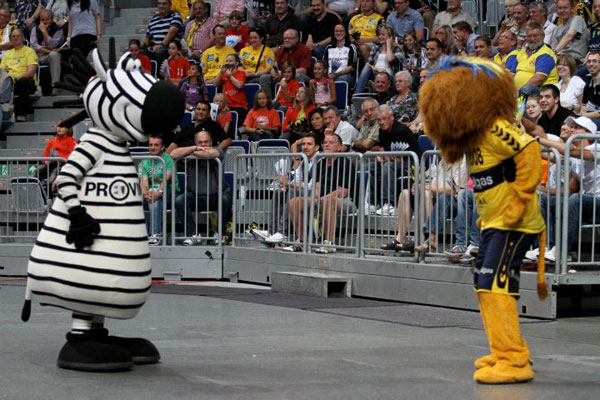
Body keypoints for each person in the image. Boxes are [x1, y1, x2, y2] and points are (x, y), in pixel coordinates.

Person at [289, 132, 357, 253]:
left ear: (339, 147)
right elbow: (316, 188)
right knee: (295, 202)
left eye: (331, 143)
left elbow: (342, 191)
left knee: (327, 201)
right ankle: (302, 241)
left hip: (345, 201)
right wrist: (316, 199)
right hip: (322, 199)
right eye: (325, 142)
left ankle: (329, 243)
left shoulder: (345, 163)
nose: (327, 145)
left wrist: (320, 200)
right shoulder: (320, 163)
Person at [172, 129, 232, 245]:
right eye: (200, 142)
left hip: (216, 197)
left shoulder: (218, 150)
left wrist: (193, 153)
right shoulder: (192, 150)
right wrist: (194, 148)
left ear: (211, 142)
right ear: (195, 143)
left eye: (206, 142)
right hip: (196, 197)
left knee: (225, 198)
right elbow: (173, 154)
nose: (203, 145)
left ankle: (220, 234)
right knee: (180, 200)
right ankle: (192, 235)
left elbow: (211, 154)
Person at [265, 132, 321, 246]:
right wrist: (286, 183)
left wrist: (290, 184)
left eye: (309, 144)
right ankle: (271, 231)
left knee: (292, 191)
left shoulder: (320, 160)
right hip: (305, 191)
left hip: (317, 193)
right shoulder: (304, 160)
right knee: (279, 192)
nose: (305, 147)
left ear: (316, 147)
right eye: (303, 144)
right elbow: (297, 178)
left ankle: (283, 231)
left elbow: (311, 186)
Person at [370, 104, 421, 216]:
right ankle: (373, 203)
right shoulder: (382, 131)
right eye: (379, 120)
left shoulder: (400, 131)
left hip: (412, 163)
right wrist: (381, 157)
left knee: (388, 167)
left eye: (384, 119)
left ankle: (390, 203)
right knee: (372, 166)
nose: (382, 122)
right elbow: (382, 151)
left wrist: (385, 157)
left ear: (392, 118)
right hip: (395, 161)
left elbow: (399, 159)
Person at [139, 135, 180, 246]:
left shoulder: (168, 159)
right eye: (150, 145)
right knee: (137, 200)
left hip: (169, 192)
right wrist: (146, 193)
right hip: (152, 192)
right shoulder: (144, 162)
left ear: (162, 147)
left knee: (155, 199)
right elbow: (144, 181)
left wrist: (159, 192)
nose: (152, 148)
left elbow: (166, 178)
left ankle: (156, 234)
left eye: (156, 145)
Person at [0, 28, 38, 122]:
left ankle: (21, 114)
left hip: (26, 82)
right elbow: (2, 71)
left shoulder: (29, 51)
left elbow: (31, 72)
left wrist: (16, 79)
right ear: (10, 39)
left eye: (18, 36)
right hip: (11, 83)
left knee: (23, 82)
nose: (16, 38)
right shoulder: (7, 54)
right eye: (13, 36)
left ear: (23, 38)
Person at [260, 29, 311, 97]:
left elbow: (304, 70)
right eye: (285, 38)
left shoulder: (304, 49)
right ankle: (268, 102)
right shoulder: (281, 49)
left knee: (298, 76)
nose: (286, 40)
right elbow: (275, 65)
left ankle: (297, 100)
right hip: (282, 75)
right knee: (264, 78)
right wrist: (273, 71)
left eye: (289, 38)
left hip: (299, 75)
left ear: (296, 39)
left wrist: (285, 73)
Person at [355, 26, 401, 94]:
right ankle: (356, 95)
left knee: (381, 74)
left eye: (383, 35)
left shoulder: (396, 49)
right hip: (376, 73)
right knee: (367, 68)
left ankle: (373, 87)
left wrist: (388, 45)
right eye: (379, 35)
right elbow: (368, 64)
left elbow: (390, 60)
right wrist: (379, 69)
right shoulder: (376, 48)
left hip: (388, 75)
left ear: (390, 37)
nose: (380, 37)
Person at [513, 23, 559, 90]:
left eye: (535, 36)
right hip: (519, 91)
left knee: (527, 89)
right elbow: (511, 74)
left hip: (541, 91)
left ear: (543, 36)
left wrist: (519, 91)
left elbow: (539, 79)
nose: (532, 39)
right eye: (529, 36)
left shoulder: (546, 54)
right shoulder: (521, 52)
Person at [30, 9, 64, 96]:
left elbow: (51, 45)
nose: (44, 22)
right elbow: (34, 46)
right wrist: (49, 50)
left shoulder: (58, 30)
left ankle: (56, 85)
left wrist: (44, 32)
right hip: (36, 56)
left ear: (52, 19)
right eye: (42, 20)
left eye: (47, 19)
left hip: (48, 57)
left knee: (54, 55)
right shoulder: (35, 29)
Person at [37, 120, 76, 192]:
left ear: (67, 129)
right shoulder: (52, 141)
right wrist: (46, 161)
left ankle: (48, 196)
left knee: (51, 179)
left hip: (63, 165)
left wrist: (60, 158)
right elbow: (44, 155)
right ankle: (39, 194)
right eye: (58, 126)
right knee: (37, 173)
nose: (59, 128)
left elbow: (73, 156)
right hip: (50, 164)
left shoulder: (72, 141)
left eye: (61, 126)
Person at [144, 0, 184, 68]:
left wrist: (161, 45)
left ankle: (159, 74)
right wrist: (139, 47)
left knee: (159, 53)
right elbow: (147, 38)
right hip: (154, 47)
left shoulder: (176, 16)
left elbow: (171, 33)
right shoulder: (154, 19)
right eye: (159, 4)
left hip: (169, 47)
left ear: (170, 5)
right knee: (140, 53)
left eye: (164, 4)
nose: (161, 6)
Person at [214, 53, 247, 123]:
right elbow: (216, 84)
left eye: (230, 61)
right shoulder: (224, 74)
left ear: (237, 63)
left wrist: (230, 76)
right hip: (226, 106)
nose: (228, 63)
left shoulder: (241, 73)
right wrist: (220, 73)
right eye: (227, 61)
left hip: (239, 106)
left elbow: (239, 86)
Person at [324, 23, 358, 88]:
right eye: (336, 31)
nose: (338, 33)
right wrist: (328, 74)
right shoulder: (329, 48)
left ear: (345, 32)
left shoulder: (351, 47)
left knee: (339, 81)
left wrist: (336, 74)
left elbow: (352, 67)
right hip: (329, 75)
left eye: (341, 31)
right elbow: (324, 65)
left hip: (345, 75)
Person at [580, 51, 600, 127]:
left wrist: (585, 116)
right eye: (589, 61)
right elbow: (583, 105)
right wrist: (583, 114)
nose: (591, 64)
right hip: (589, 118)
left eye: (595, 61)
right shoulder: (588, 84)